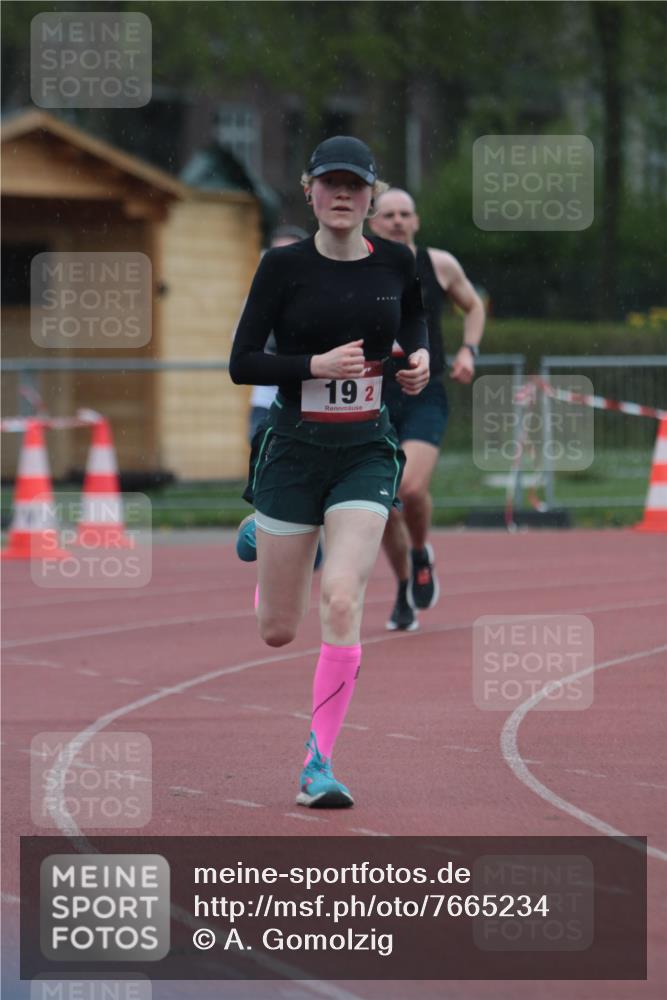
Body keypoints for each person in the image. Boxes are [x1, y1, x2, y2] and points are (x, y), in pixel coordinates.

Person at [230, 137, 429, 807]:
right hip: (292, 449)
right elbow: (242, 363)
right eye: (329, 183)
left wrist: (419, 357)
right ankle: (263, 529)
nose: (342, 195)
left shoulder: (396, 262)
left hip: (364, 451)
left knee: (341, 598)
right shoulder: (282, 267)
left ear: (371, 195)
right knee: (277, 629)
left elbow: (418, 312)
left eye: (354, 185)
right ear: (309, 190)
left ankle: (318, 764)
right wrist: (313, 366)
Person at [369, 188, 486, 631]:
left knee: (411, 489)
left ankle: (420, 552)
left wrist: (468, 351)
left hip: (424, 393)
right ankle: (403, 587)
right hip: (373, 396)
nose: (397, 221)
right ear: (372, 222)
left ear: (416, 221)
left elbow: (472, 306)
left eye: (405, 214)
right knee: (383, 504)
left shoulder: (438, 264)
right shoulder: (360, 267)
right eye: (388, 215)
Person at [247, 226, 310, 442]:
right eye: (275, 254)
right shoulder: (260, 296)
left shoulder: (318, 294)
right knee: (260, 442)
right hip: (268, 393)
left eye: (289, 252)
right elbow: (243, 345)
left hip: (309, 394)